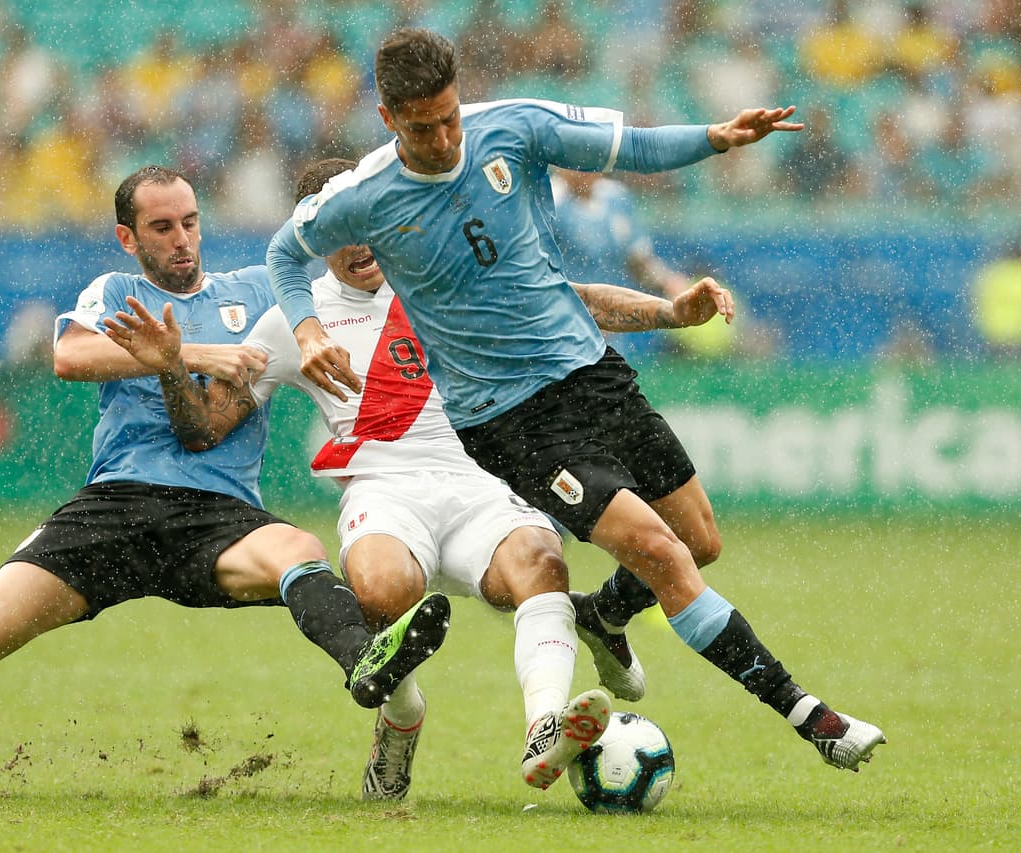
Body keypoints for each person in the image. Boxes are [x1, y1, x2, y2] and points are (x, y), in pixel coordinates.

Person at [266, 29, 885, 773]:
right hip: (509, 418)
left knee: (697, 540)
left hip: (593, 373)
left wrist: (715, 138)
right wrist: (305, 329)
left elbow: (629, 149)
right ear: (388, 116)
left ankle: (603, 614)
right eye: (422, 127)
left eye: (450, 117)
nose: (443, 139)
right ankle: (813, 717)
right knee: (661, 553)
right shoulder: (362, 196)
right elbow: (283, 255)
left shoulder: (514, 127)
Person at [0, 165, 450, 801]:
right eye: (162, 227)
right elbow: (69, 356)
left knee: (299, 550)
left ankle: (365, 665)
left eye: (190, 223)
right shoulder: (117, 293)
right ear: (128, 238)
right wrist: (184, 354)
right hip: (115, 505)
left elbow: (346, 284)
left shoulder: (260, 290)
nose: (182, 239)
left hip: (219, 514)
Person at [104, 157, 738, 799]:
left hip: (484, 480)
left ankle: (545, 726)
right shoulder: (293, 321)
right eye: (337, 232)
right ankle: (401, 719)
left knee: (541, 565)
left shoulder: (449, 275)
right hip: (384, 492)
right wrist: (171, 367)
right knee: (381, 591)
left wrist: (671, 312)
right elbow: (206, 428)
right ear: (312, 238)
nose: (358, 245)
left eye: (366, 223)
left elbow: (578, 300)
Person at [551, 170, 691, 299]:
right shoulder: (549, 202)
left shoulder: (616, 196)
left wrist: (668, 282)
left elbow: (637, 258)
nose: (585, 168)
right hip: (574, 309)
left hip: (619, 308)